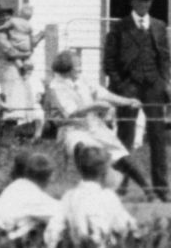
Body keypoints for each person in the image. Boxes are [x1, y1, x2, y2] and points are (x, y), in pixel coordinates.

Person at [101, 0, 171, 199]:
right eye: (140, 0)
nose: (144, 5)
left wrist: (163, 81)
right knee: (125, 137)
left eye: (147, 1)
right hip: (129, 87)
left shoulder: (159, 26)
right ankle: (122, 186)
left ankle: (162, 188)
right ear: (132, 1)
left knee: (158, 137)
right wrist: (121, 86)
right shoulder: (119, 27)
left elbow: (165, 58)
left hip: (153, 86)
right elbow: (109, 62)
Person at [44, 51, 157, 196]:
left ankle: (148, 190)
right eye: (77, 65)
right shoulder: (55, 87)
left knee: (121, 155)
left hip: (94, 125)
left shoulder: (82, 79)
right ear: (67, 67)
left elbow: (105, 95)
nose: (80, 68)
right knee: (81, 146)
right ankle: (89, 188)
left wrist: (128, 101)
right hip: (72, 128)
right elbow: (71, 113)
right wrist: (95, 106)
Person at [61, 144, 139, 245]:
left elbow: (56, 228)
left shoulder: (68, 197)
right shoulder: (108, 197)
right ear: (105, 172)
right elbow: (128, 228)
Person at [0, 151, 66, 246]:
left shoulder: (17, 184)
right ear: (48, 178)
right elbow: (62, 211)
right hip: (4, 244)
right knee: (57, 220)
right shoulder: (33, 195)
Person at [0, 3, 40, 140]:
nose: (5, 18)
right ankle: (4, 138)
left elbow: (26, 44)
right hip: (7, 69)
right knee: (10, 103)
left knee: (19, 103)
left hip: (17, 71)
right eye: (1, 16)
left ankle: (14, 136)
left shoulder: (14, 32)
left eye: (7, 15)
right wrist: (26, 54)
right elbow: (9, 52)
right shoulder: (0, 34)